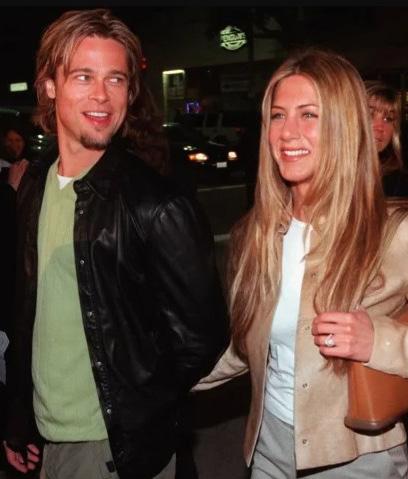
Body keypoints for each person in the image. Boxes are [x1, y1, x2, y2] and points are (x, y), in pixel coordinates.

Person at [4, 8, 228, 479]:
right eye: (83, 76)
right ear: (49, 85)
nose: (102, 96)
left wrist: (138, 416)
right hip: (47, 434)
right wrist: (18, 416)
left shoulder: (156, 204)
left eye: (116, 79)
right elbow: (29, 314)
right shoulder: (35, 185)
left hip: (110, 449)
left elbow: (200, 339)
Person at [197, 47, 408, 478]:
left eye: (309, 114)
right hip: (268, 447)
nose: (288, 132)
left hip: (356, 459)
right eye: (278, 116)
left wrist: (380, 342)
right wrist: (159, 382)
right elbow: (248, 346)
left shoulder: (393, 231)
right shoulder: (255, 234)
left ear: (344, 125)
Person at [365, 80, 408, 197]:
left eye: (388, 119)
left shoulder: (399, 184)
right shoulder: (325, 174)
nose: (380, 127)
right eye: (370, 115)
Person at [0, 126, 30, 191]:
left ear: (24, 143)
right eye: (10, 140)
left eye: (18, 140)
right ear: (4, 142)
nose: (14, 144)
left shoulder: (29, 166)